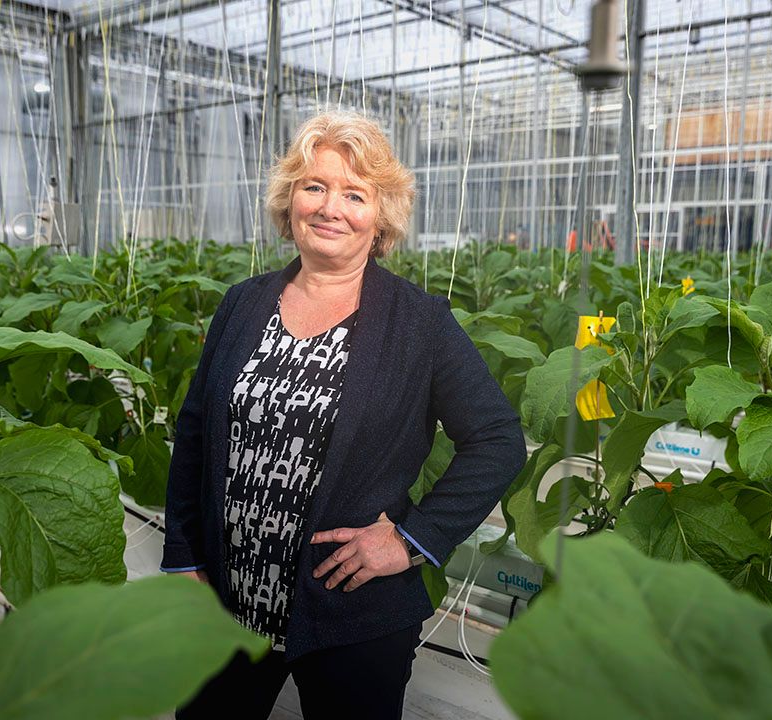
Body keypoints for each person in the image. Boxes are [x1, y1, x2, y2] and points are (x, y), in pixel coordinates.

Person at [162, 112, 526, 720]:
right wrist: (183, 558)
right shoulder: (244, 303)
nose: (331, 207)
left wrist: (413, 540)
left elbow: (497, 438)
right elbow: (197, 430)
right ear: (290, 201)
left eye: (354, 194)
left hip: (350, 616)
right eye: (315, 187)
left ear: (379, 218)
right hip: (224, 603)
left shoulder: (420, 324)